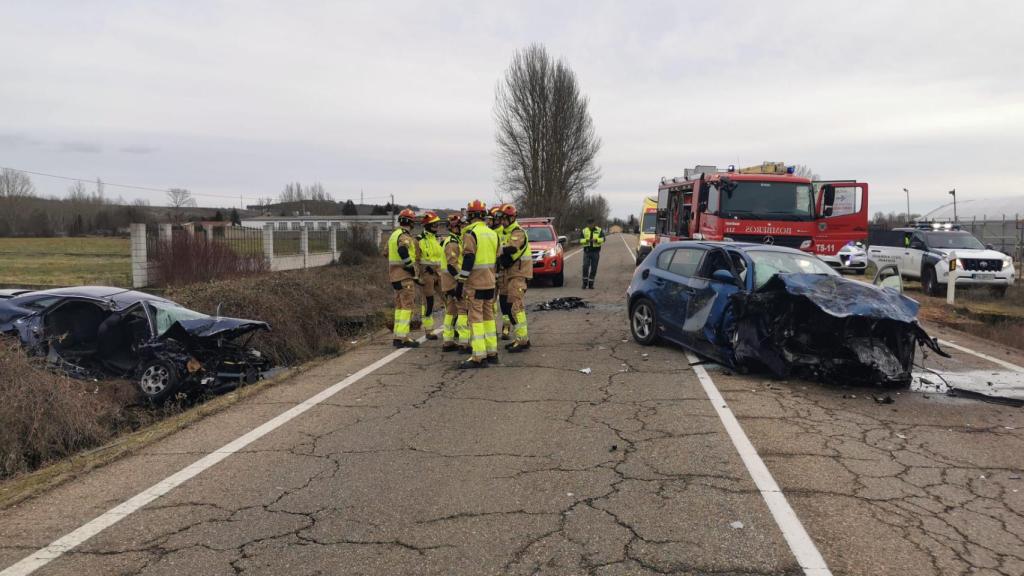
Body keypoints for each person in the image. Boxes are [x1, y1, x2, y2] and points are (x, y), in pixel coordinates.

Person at [456, 200, 499, 368]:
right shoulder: (492, 233)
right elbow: (497, 258)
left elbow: (469, 258)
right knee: (489, 318)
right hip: (490, 282)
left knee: (476, 319)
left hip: (475, 283)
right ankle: (492, 352)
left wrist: (461, 281)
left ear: (471, 216)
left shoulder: (470, 234)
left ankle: (479, 356)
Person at [500, 203, 532, 352]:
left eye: (505, 218)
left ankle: (522, 340)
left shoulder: (517, 232)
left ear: (512, 217)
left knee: (516, 306)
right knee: (507, 307)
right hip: (509, 274)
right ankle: (519, 338)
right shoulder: (505, 232)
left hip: (518, 274)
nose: (503, 221)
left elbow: (512, 248)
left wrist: (499, 251)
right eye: (501, 218)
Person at [386, 208, 420, 348]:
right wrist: (410, 266)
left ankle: (397, 336)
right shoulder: (404, 236)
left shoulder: (393, 235)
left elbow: (385, 252)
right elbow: (402, 250)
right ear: (410, 222)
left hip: (394, 276)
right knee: (407, 307)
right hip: (405, 276)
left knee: (400, 307)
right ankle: (403, 338)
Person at [439, 213, 469, 352]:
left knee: (451, 311)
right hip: (454, 282)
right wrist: (460, 280)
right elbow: (452, 265)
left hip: (448, 282)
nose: (463, 227)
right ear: (455, 227)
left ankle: (448, 340)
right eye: (461, 225)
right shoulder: (452, 242)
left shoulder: (455, 240)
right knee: (463, 310)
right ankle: (464, 342)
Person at [415, 211, 443, 340]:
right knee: (428, 302)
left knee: (449, 299)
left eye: (437, 224)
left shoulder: (437, 239)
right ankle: (429, 329)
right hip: (427, 273)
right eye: (433, 224)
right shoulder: (419, 240)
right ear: (427, 225)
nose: (436, 226)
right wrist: (418, 275)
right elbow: (415, 259)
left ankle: (453, 326)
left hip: (439, 272)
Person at [489, 206, 512, 339]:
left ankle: (506, 327)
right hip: (490, 271)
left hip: (503, 271)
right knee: (489, 302)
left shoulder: (505, 233)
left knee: (504, 301)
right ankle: (491, 328)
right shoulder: (488, 233)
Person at [580, 218, 605, 289]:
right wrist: (587, 240)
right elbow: (581, 240)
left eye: (592, 223)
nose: (590, 225)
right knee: (585, 266)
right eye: (589, 224)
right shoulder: (584, 231)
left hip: (595, 252)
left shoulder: (599, 230)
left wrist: (597, 240)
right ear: (587, 224)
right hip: (587, 251)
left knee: (594, 268)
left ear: (594, 224)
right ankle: (584, 283)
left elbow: (603, 239)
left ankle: (591, 283)